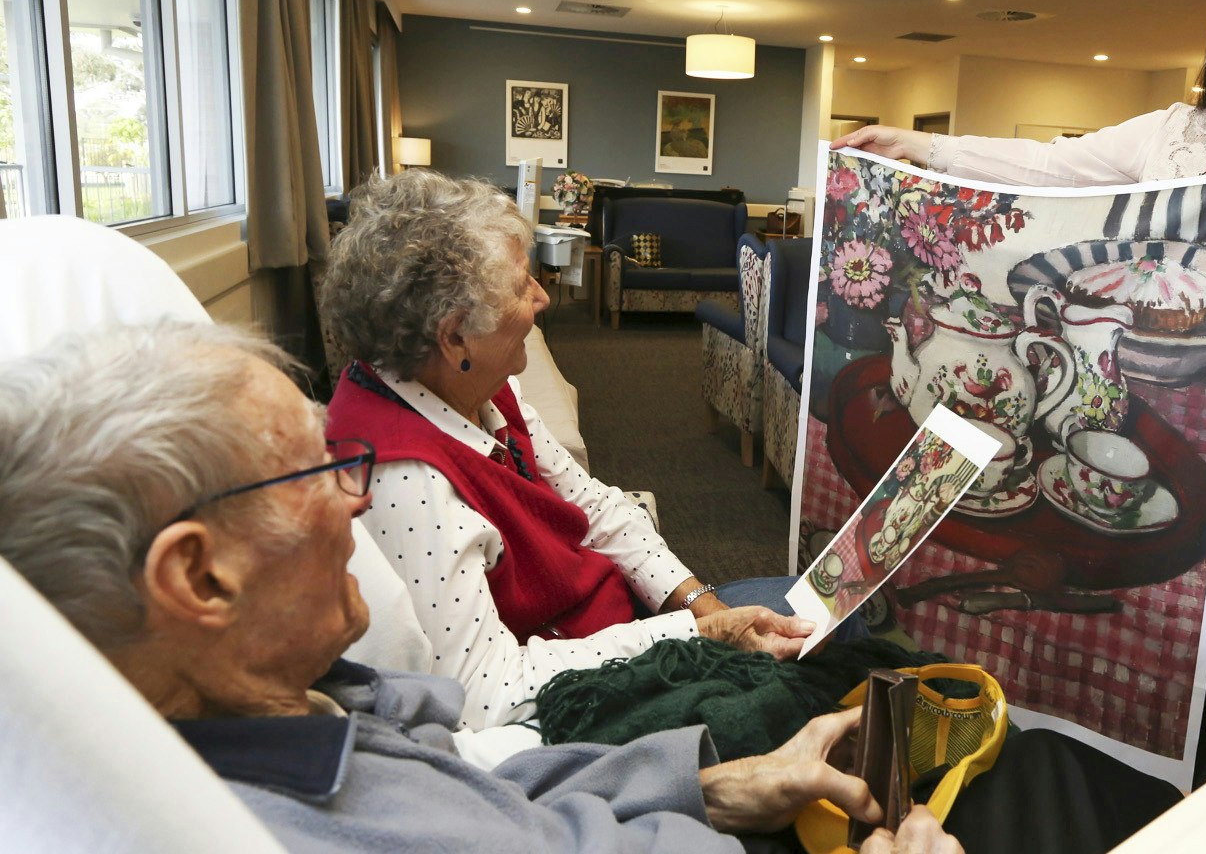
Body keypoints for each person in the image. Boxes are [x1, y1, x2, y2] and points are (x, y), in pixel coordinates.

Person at [0, 320, 958, 854]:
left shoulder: (299, 708)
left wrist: (710, 786)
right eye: (313, 476)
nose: (353, 502)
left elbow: (481, 774)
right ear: (199, 575)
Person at [832, 0, 1206, 775]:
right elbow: (1053, 167)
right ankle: (1052, 732)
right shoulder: (1178, 134)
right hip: (1107, 375)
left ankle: (1173, 767)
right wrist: (919, 146)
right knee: (1087, 556)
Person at [320, 169, 827, 732]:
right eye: (521, 286)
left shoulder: (482, 390)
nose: (541, 297)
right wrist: (696, 634)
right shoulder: (401, 480)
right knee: (821, 665)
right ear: (455, 335)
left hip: (624, 632)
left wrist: (703, 605)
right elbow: (489, 697)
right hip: (587, 699)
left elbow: (599, 509)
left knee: (825, 617)